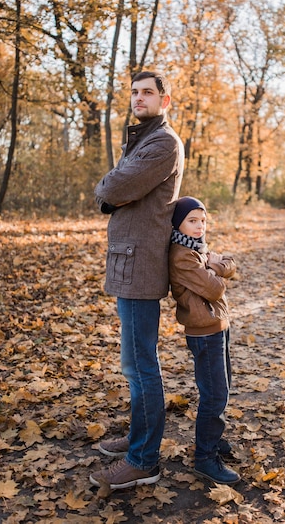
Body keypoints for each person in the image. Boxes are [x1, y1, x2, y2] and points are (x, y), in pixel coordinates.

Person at [90, 71, 184, 491]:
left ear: (165, 101)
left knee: (143, 365)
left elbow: (116, 186)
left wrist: (108, 188)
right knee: (133, 365)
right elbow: (115, 190)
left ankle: (144, 459)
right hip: (125, 262)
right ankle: (136, 438)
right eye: (135, 92)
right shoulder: (141, 140)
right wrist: (111, 189)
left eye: (148, 93)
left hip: (141, 265)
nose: (139, 98)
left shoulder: (163, 142)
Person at [168, 196, 241, 485]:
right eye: (192, 221)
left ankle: (214, 437)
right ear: (179, 224)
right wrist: (215, 268)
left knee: (223, 388)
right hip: (204, 332)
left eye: (203, 220)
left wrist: (215, 264)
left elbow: (231, 264)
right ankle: (205, 457)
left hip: (218, 325)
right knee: (214, 394)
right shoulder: (182, 255)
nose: (200, 226)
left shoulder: (198, 248)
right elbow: (214, 289)